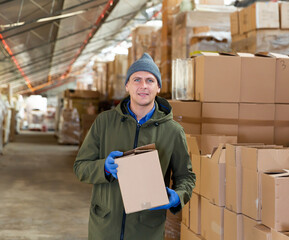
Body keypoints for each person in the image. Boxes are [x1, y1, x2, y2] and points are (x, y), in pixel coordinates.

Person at [73, 53, 196, 240]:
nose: (143, 86)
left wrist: (178, 196)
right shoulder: (104, 122)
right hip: (105, 227)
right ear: (127, 86)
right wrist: (103, 168)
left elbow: (186, 177)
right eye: (136, 79)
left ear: (158, 87)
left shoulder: (173, 131)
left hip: (146, 230)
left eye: (150, 80)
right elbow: (80, 166)